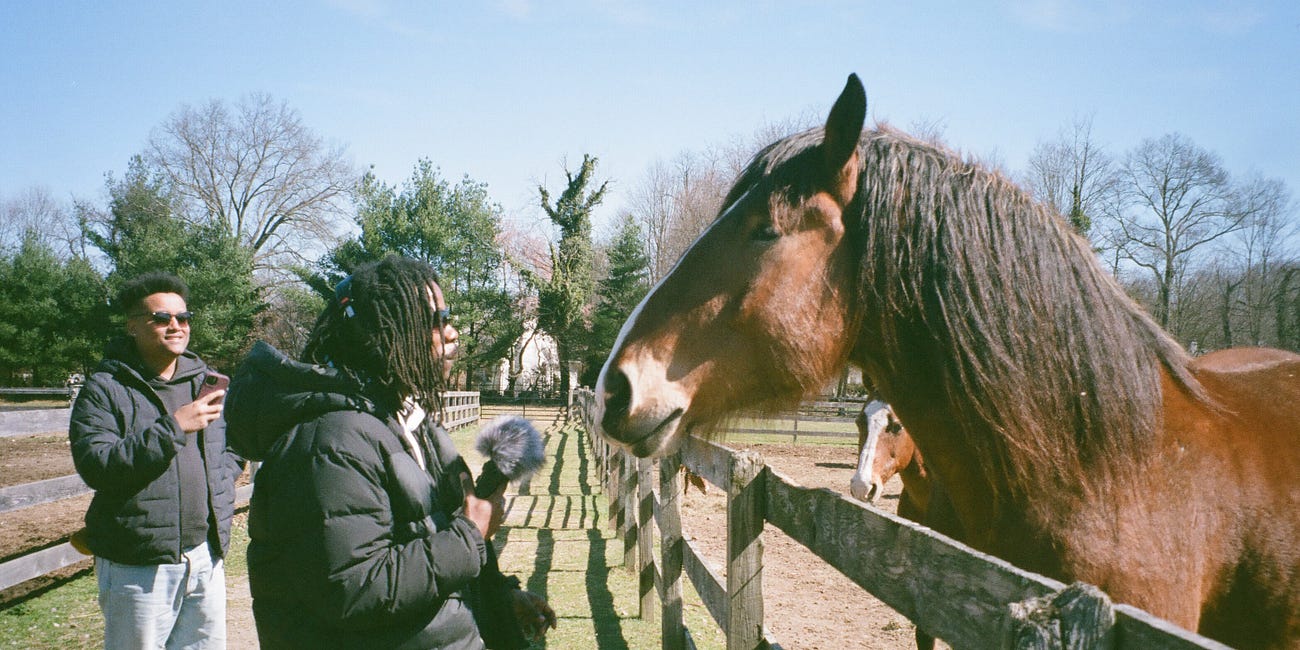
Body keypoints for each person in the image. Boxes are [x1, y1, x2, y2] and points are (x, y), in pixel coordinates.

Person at [224, 255, 556, 649]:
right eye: (436, 320)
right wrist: (470, 536)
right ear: (385, 335)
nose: (452, 333)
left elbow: (428, 547)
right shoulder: (331, 443)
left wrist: (500, 599)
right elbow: (355, 590)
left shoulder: (411, 422)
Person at [69, 271, 244, 649]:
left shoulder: (206, 382)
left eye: (183, 318)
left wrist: (224, 482)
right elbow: (97, 465)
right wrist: (174, 428)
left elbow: (230, 447)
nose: (176, 326)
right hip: (138, 565)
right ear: (133, 326)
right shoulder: (105, 389)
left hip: (205, 557)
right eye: (162, 318)